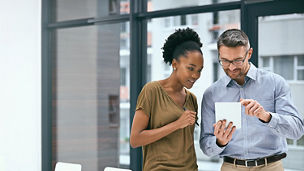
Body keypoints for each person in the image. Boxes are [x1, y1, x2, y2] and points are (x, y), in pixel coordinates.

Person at [200, 29, 304, 171]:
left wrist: (267, 117)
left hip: (271, 167)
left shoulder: (275, 83)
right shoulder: (211, 94)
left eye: (237, 60)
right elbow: (206, 146)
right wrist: (219, 142)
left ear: (249, 54)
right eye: (224, 61)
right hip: (231, 167)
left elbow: (297, 131)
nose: (231, 67)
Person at [130, 27, 204, 171]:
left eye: (199, 70)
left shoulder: (191, 99)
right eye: (190, 68)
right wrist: (177, 124)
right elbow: (135, 139)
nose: (195, 75)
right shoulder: (152, 91)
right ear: (175, 64)